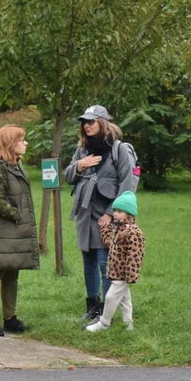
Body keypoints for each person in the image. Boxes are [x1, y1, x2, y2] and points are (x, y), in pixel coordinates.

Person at [64, 105, 137, 323]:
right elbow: (68, 176)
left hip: (106, 216)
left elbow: (127, 185)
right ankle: (92, 307)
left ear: (103, 123)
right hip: (85, 214)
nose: (86, 125)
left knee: (106, 263)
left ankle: (107, 312)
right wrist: (80, 165)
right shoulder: (82, 150)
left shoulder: (119, 149)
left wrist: (111, 214)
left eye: (91, 121)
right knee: (88, 260)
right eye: (84, 122)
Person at [0, 125, 38, 337]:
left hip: (14, 232)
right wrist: (16, 214)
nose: (25, 143)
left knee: (12, 274)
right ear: (9, 144)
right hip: (1, 232)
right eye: (21, 140)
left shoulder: (15, 165)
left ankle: (10, 318)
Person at [85, 191, 144, 332]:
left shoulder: (134, 233)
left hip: (123, 274)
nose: (115, 214)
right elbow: (109, 243)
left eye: (119, 211)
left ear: (129, 214)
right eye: (115, 210)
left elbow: (135, 255)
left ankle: (104, 324)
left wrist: (130, 274)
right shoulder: (118, 229)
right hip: (115, 271)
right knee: (125, 301)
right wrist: (105, 229)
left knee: (111, 297)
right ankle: (128, 324)